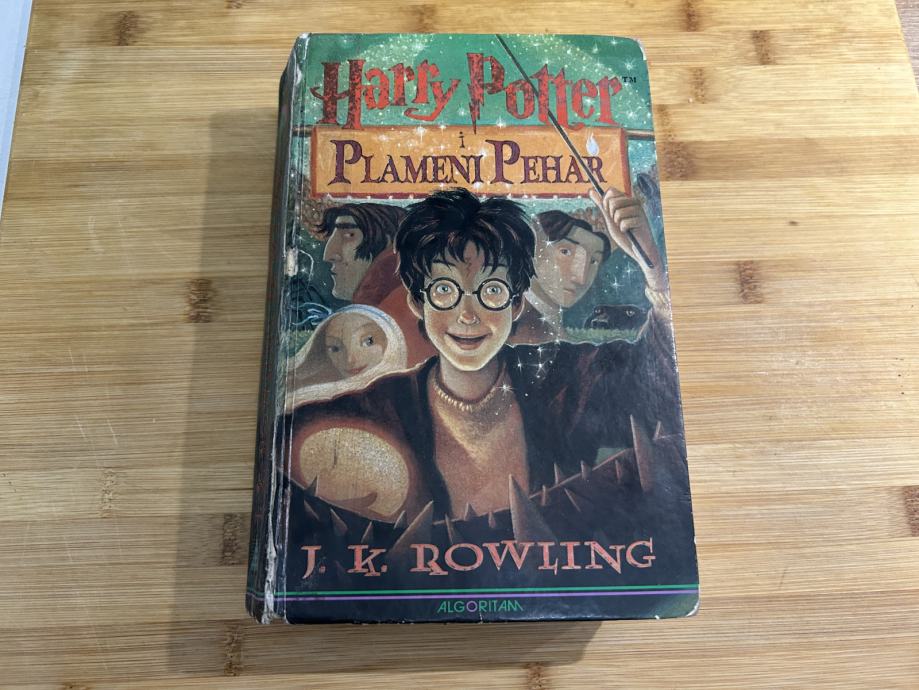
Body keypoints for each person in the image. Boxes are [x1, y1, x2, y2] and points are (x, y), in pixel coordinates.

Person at [286, 188, 681, 523]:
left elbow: (655, 387)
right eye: (444, 290)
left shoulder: (563, 378)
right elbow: (287, 447)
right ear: (418, 303)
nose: (468, 314)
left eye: (492, 290)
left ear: (516, 304)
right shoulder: (381, 407)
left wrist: (655, 271)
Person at [315, 203, 435, 365]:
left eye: (349, 235)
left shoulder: (397, 312)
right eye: (332, 235)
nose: (329, 255)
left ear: (390, 241)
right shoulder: (386, 305)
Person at [511, 210, 611, 344]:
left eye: (593, 261)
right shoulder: (520, 328)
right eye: (565, 252)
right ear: (532, 249)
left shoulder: (554, 326)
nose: (580, 278)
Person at [283, 305, 408, 413]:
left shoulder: (406, 394)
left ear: (391, 339)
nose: (349, 360)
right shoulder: (305, 401)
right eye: (335, 348)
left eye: (368, 341)